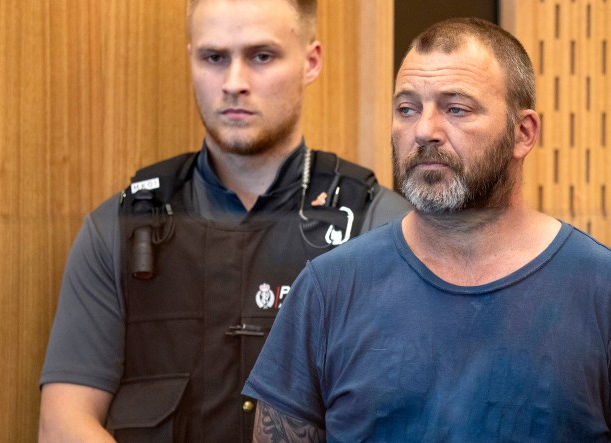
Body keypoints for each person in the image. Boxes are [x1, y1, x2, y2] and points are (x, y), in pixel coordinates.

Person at [243, 17, 611, 442]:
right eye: (407, 108)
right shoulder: (328, 290)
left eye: (456, 109)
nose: (424, 130)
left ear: (523, 133)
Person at [38, 0, 410, 441]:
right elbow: (64, 423)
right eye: (214, 58)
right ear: (191, 59)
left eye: (261, 56)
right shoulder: (115, 231)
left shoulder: (383, 228)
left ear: (311, 62)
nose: (234, 83)